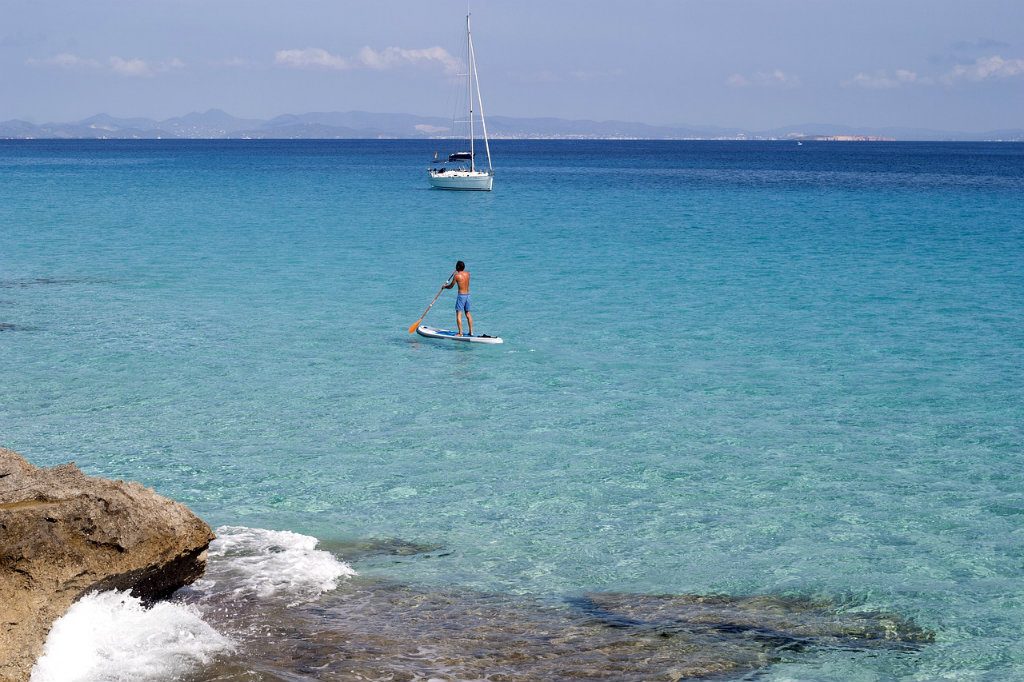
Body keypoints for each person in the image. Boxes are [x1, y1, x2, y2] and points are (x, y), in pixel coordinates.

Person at [443, 260, 473, 336]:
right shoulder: (468, 274)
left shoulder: (456, 276)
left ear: (458, 267)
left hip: (461, 296)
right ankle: (471, 332)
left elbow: (451, 286)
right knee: (468, 313)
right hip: (468, 295)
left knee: (459, 314)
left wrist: (444, 287)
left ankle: (460, 333)